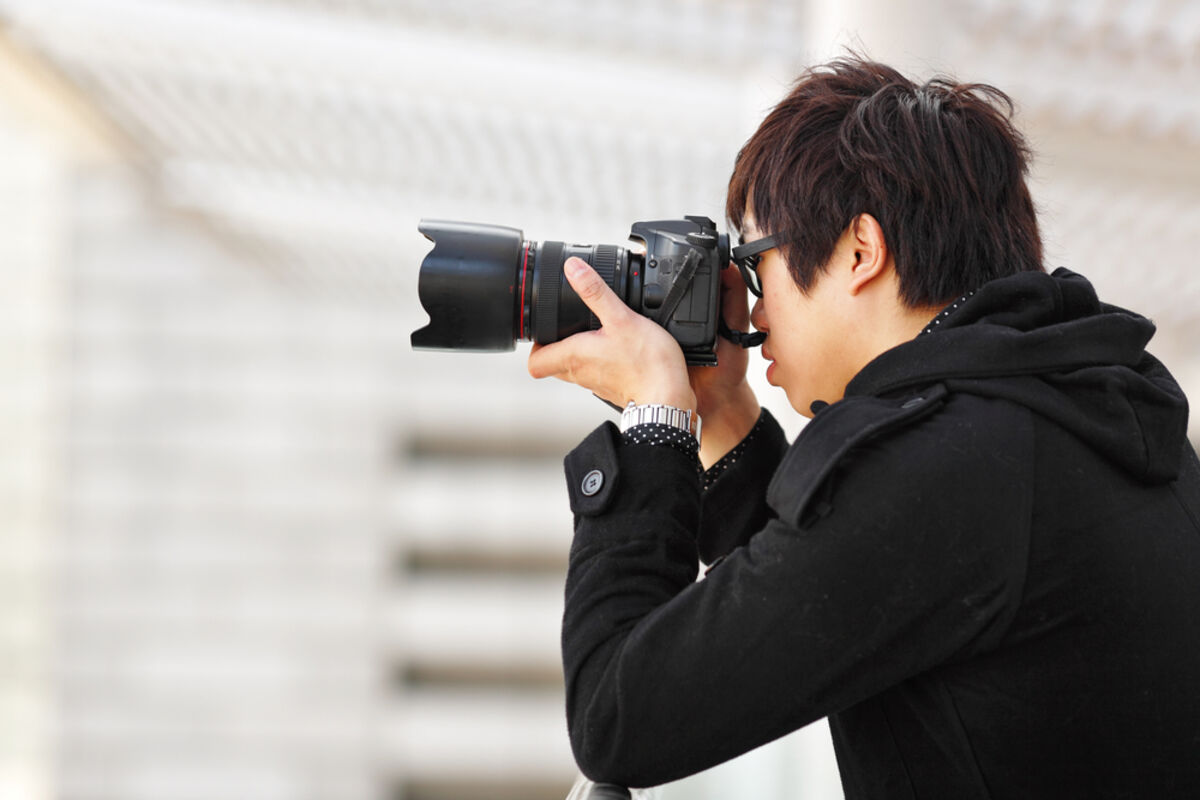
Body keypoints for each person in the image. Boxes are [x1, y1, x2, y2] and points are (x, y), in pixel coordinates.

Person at [527, 56, 1200, 798]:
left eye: (755, 265)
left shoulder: (949, 466)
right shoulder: (1071, 408)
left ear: (860, 251)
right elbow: (834, 597)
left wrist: (655, 416)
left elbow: (620, 720)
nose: (755, 312)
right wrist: (720, 413)